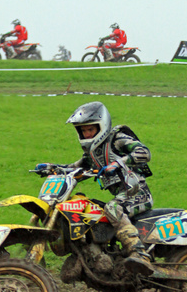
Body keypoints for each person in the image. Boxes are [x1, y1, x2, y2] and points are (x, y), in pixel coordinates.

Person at [45, 101, 156, 276]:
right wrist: (52, 168)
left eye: (91, 129)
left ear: (102, 125)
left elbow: (144, 153)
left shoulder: (117, 139)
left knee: (112, 208)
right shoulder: (93, 151)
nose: (87, 133)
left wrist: (118, 163)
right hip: (121, 195)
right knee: (89, 207)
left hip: (137, 193)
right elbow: (76, 168)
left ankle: (140, 255)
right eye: (84, 131)